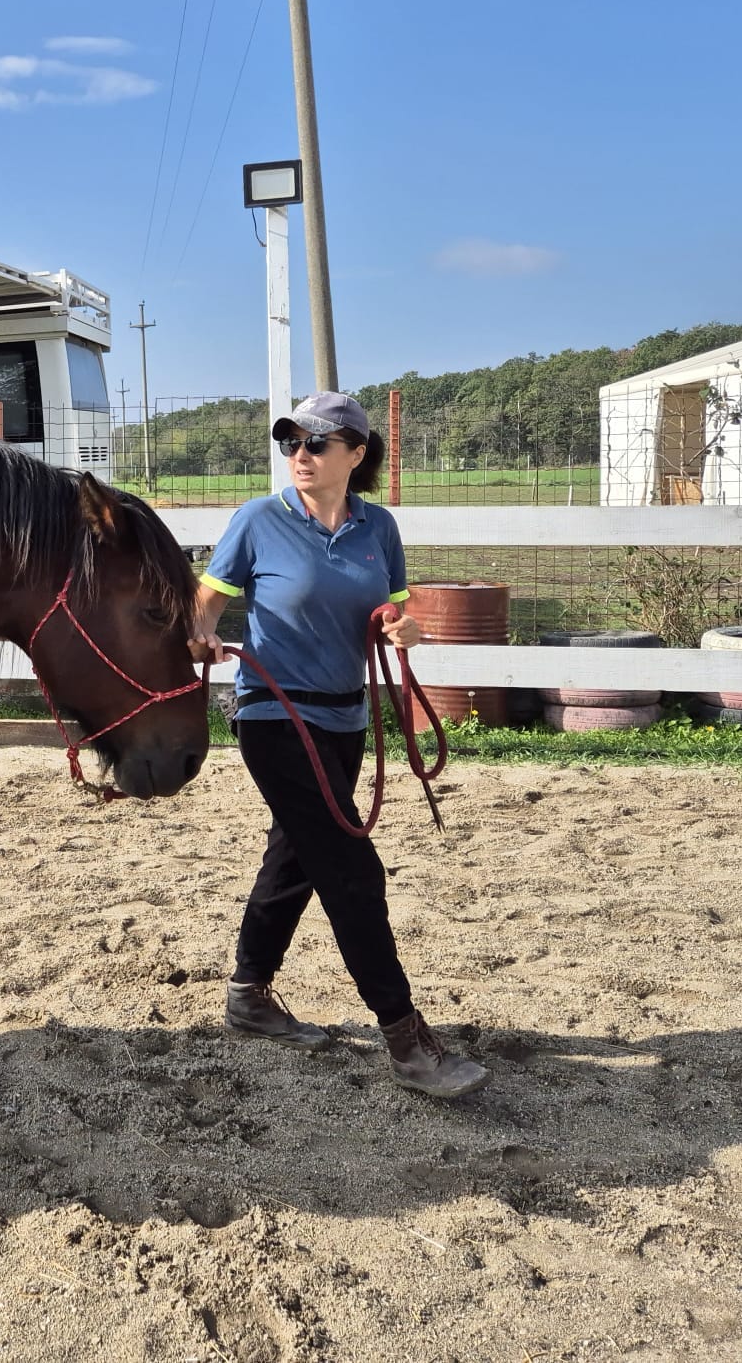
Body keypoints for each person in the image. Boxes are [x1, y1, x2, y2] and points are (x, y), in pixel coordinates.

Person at [186, 391, 489, 1098]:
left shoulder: (377, 527)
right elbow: (207, 601)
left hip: (346, 719)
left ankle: (248, 995)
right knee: (351, 868)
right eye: (292, 442)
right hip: (271, 713)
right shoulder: (258, 521)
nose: (300, 455)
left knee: (295, 858)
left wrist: (400, 626)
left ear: (356, 453)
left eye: (317, 444)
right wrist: (198, 631)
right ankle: (406, 1040)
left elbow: (394, 606)